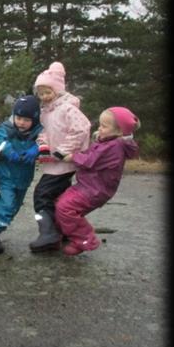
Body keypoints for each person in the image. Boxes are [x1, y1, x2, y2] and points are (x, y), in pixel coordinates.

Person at [55, 107, 140, 256]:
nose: (99, 128)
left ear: (119, 131)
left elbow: (89, 160)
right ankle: (65, 233)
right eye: (100, 125)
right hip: (89, 186)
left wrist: (71, 157)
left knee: (65, 207)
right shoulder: (110, 141)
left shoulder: (114, 147)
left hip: (94, 190)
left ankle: (85, 239)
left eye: (104, 126)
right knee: (63, 205)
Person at [29, 62, 91, 253]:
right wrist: (43, 146)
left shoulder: (67, 109)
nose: (44, 97)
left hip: (64, 163)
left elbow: (82, 129)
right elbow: (44, 132)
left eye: (48, 92)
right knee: (57, 198)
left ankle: (48, 233)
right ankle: (61, 230)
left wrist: (63, 151)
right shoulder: (46, 111)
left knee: (41, 195)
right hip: (52, 162)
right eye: (40, 93)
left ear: (57, 89)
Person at [0, 95, 43, 254]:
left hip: (24, 177)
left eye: (26, 120)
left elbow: (47, 141)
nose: (21, 122)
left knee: (14, 206)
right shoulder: (7, 128)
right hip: (6, 175)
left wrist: (37, 149)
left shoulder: (38, 132)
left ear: (34, 120)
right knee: (7, 203)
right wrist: (9, 151)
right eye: (19, 118)